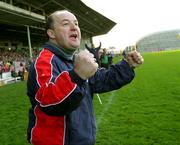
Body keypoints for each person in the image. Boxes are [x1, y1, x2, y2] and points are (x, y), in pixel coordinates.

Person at [27, 10, 144, 145]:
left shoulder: (74, 60)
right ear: (51, 33)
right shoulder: (44, 61)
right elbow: (49, 102)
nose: (74, 27)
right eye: (66, 24)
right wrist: (77, 76)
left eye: (76, 23)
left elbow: (102, 79)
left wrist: (127, 66)